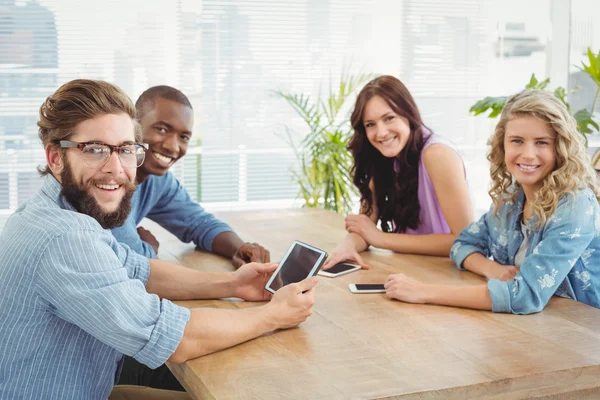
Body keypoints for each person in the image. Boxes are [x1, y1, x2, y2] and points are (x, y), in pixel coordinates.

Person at [0, 79, 317, 400]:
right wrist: (272, 316)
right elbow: (172, 339)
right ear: (55, 158)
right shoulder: (65, 237)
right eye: (94, 150)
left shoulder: (55, 212)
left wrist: (232, 285)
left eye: (125, 150)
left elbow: (138, 269)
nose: (115, 168)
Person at [384, 89, 600, 314]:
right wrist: (492, 268)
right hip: (528, 327)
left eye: (541, 142)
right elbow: (462, 244)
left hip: (579, 332)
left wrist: (423, 292)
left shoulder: (575, 206)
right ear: (502, 145)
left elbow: (525, 295)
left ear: (560, 148)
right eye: (517, 141)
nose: (527, 154)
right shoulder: (511, 197)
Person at [323, 75, 473, 270]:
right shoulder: (382, 157)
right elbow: (365, 225)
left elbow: (466, 240)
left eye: (389, 118)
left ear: (409, 114)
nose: (381, 133)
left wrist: (382, 239)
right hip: (408, 269)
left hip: (449, 273)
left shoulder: (437, 154)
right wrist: (347, 247)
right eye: (370, 124)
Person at [111, 85, 269, 268]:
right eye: (161, 129)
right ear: (134, 126)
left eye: (184, 137)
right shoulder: (108, 180)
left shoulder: (158, 181)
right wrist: (150, 248)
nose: (173, 147)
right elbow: (129, 261)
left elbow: (199, 222)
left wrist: (239, 248)